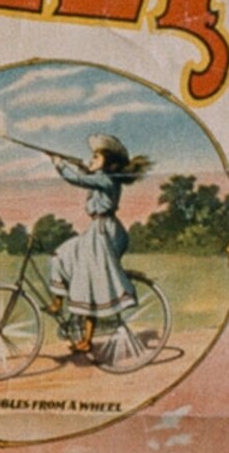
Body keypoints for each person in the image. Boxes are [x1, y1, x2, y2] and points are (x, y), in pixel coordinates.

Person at [40, 133, 148, 359]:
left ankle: (87, 341)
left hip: (105, 233)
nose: (91, 159)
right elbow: (87, 177)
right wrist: (80, 167)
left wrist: (60, 165)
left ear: (108, 163)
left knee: (88, 282)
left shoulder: (107, 180)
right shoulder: (101, 178)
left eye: (96, 156)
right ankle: (57, 302)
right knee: (60, 255)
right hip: (95, 231)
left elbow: (80, 180)